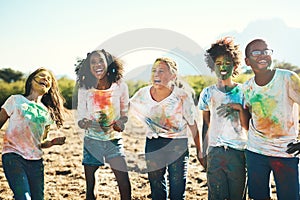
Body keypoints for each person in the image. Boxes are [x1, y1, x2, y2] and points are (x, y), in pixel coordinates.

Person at [130, 57, 203, 200]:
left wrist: (200, 151)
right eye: (153, 71)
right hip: (153, 144)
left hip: (177, 145)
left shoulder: (182, 96)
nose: (156, 74)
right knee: (156, 187)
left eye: (161, 71)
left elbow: (192, 125)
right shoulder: (143, 93)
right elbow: (126, 106)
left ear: (173, 76)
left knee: (177, 188)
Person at [243, 38, 300, 200]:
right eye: (256, 52)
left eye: (266, 51)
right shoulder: (247, 87)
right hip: (255, 152)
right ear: (247, 61)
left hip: (285, 152)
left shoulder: (288, 78)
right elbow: (249, 118)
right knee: (258, 196)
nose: (262, 55)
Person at [0, 67, 66, 200]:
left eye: (49, 79)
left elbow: (40, 142)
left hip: (36, 162)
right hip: (13, 156)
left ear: (49, 88)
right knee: (23, 197)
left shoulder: (46, 112)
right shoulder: (15, 100)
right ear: (31, 81)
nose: (45, 79)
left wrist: (52, 142)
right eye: (42, 76)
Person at [75, 49, 131, 200]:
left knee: (124, 182)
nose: (97, 65)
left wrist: (121, 122)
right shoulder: (84, 89)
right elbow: (80, 118)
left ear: (108, 63)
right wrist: (84, 123)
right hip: (92, 141)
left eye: (100, 61)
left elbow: (125, 114)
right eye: (93, 62)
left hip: (114, 140)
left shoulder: (119, 86)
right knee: (90, 185)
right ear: (88, 67)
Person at [198, 37, 249, 200]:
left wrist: (239, 109)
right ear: (212, 66)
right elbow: (206, 125)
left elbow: (248, 126)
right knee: (216, 195)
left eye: (227, 62)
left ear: (235, 65)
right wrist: (203, 151)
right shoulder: (207, 93)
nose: (223, 67)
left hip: (238, 151)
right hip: (215, 151)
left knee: (237, 195)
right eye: (218, 64)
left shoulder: (244, 92)